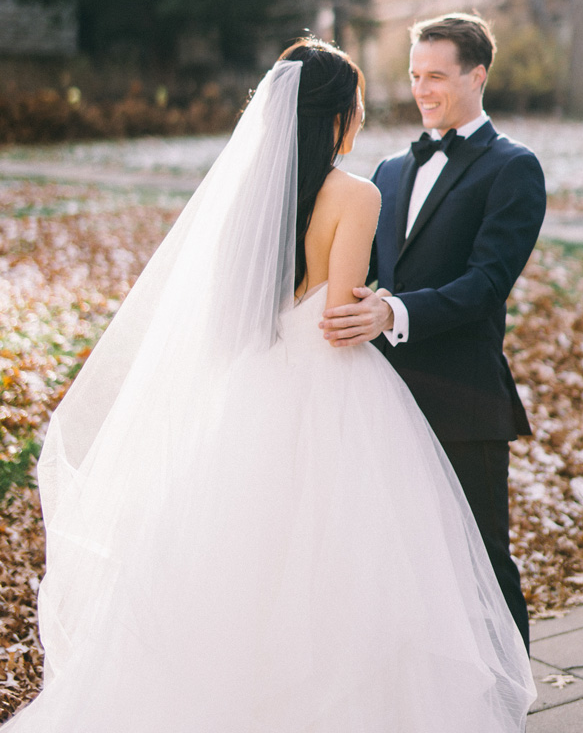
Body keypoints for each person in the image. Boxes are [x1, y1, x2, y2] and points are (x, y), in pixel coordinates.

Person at [3, 39, 534, 733]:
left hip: (257, 385)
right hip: (335, 390)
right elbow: (341, 313)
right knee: (355, 564)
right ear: (342, 115)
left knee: (242, 558)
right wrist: (372, 303)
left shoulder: (248, 198)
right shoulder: (361, 192)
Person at [321, 14, 546, 650]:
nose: (423, 89)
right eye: (417, 76)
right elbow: (367, 272)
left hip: (464, 397)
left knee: (482, 560)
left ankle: (508, 704)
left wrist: (393, 314)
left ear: (477, 76)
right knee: (401, 561)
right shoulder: (389, 170)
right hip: (381, 397)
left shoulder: (513, 168)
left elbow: (484, 286)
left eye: (438, 77)